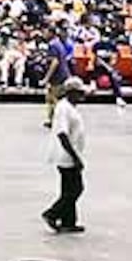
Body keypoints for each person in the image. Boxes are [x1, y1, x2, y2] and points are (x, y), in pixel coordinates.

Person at [44, 77, 88, 233]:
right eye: (79, 93)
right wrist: (75, 157)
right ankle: (51, 213)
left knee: (68, 190)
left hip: (71, 153)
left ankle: (68, 222)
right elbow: (62, 134)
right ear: (71, 92)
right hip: (66, 155)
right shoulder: (64, 108)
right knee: (76, 189)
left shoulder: (70, 107)